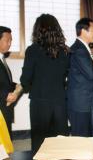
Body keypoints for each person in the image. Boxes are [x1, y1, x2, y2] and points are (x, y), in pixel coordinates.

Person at [20, 14, 69, 152]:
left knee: (39, 141)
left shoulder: (33, 50)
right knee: (60, 140)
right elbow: (66, 75)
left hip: (40, 101)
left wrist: (29, 85)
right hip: (60, 101)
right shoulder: (65, 50)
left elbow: (25, 79)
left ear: (38, 30)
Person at [67, 18, 93, 137]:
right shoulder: (79, 50)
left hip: (84, 101)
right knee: (81, 138)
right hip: (81, 104)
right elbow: (92, 74)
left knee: (86, 137)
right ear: (83, 31)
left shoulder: (84, 48)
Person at [0, 26, 22, 136]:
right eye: (7, 40)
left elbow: (4, 81)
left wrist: (16, 85)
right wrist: (4, 95)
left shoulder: (2, 58)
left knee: (6, 141)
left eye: (11, 41)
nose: (9, 43)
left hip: (5, 108)